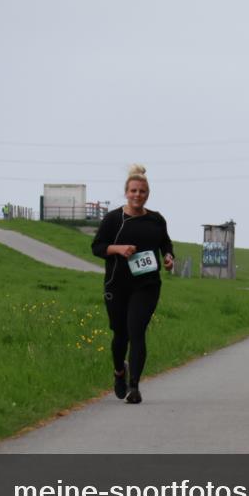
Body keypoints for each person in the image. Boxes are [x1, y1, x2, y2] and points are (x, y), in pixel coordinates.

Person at [91, 164, 175, 404]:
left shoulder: (157, 220)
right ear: (126, 192)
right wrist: (118, 249)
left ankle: (134, 387)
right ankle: (119, 372)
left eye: (142, 192)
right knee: (121, 334)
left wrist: (169, 258)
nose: (138, 195)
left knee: (136, 331)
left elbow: (165, 245)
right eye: (134, 191)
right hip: (117, 285)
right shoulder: (114, 219)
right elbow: (97, 247)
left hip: (147, 285)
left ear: (147, 194)